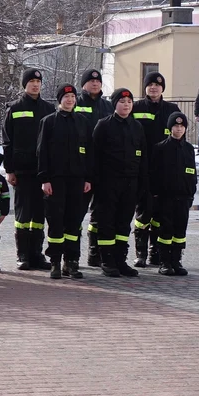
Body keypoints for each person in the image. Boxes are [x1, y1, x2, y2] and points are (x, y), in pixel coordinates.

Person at [91, 88, 149, 278]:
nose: (126, 105)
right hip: (108, 183)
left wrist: (141, 183)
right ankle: (107, 260)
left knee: (124, 224)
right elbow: (95, 157)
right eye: (122, 102)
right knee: (107, 222)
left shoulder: (137, 127)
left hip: (130, 183)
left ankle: (120, 259)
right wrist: (97, 183)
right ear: (115, 104)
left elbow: (143, 158)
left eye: (129, 102)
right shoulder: (104, 125)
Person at [37, 84, 93, 279]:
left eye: (72, 96)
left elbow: (89, 152)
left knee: (74, 222)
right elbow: (42, 152)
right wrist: (45, 179)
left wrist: (87, 178)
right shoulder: (49, 122)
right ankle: (55, 262)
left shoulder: (82, 122)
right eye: (66, 96)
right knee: (55, 222)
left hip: (77, 180)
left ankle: (72, 262)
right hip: (56, 180)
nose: (70, 100)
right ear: (60, 99)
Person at [2, 68, 56, 271]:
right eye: (31, 81)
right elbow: (7, 142)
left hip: (43, 172)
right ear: (24, 84)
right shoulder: (14, 108)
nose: (35, 84)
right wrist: (9, 169)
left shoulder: (49, 109)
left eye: (38, 81)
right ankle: (22, 254)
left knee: (40, 215)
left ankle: (37, 253)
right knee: (23, 216)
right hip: (22, 171)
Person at [131, 71, 180, 268]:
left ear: (162, 88)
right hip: (143, 168)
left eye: (158, 85)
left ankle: (155, 252)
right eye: (150, 84)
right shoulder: (136, 107)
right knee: (144, 213)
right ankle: (140, 253)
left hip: (165, 170)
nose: (154, 88)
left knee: (161, 214)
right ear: (145, 87)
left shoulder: (172, 109)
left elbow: (179, 137)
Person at [151, 112, 197, 276]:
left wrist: (191, 193)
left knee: (180, 231)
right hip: (166, 197)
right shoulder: (161, 148)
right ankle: (164, 262)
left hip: (183, 197)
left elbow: (192, 173)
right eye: (176, 126)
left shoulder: (189, 149)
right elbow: (154, 174)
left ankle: (176, 260)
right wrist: (155, 195)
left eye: (182, 126)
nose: (179, 129)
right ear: (170, 128)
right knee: (166, 230)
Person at [75, 69, 113, 267]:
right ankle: (72, 256)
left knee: (100, 212)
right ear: (84, 84)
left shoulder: (108, 106)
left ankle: (95, 252)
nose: (95, 84)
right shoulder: (76, 104)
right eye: (90, 81)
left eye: (98, 81)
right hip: (81, 165)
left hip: (103, 166)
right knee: (78, 211)